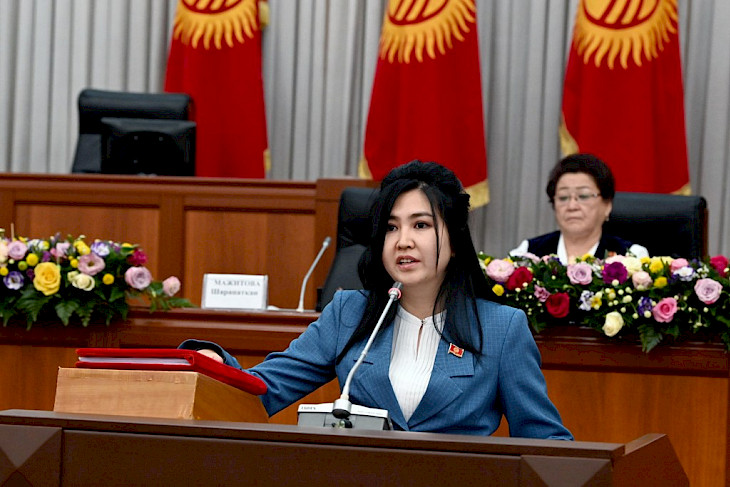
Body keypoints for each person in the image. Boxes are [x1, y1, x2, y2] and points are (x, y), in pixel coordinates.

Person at [182, 160, 572, 439]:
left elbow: (545, 441)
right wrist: (212, 363)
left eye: (421, 225)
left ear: (454, 241)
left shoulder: (501, 328)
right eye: (391, 228)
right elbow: (262, 390)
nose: (403, 241)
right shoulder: (349, 313)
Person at [511, 153, 648, 264]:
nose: (572, 206)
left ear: (607, 206)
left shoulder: (632, 257)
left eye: (583, 196)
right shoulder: (526, 253)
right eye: (563, 197)